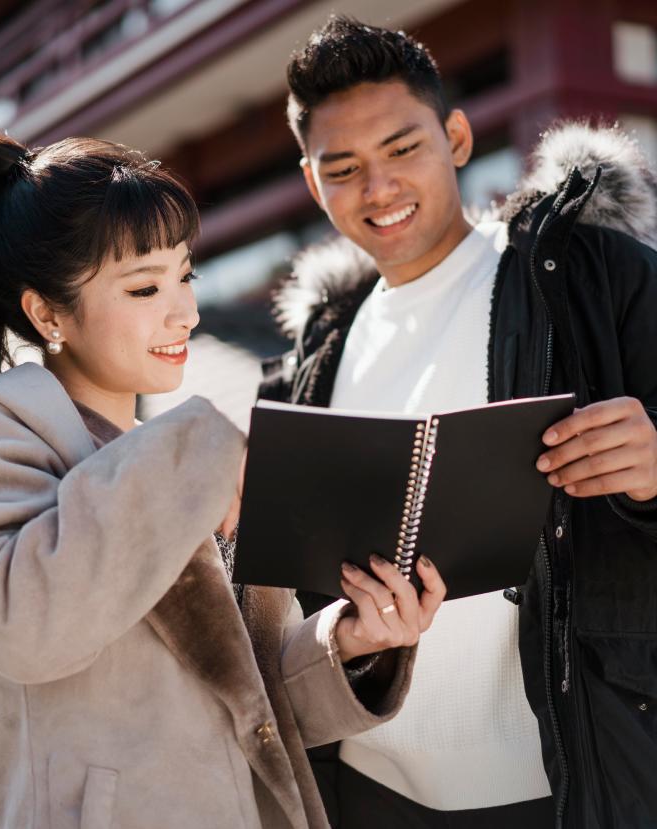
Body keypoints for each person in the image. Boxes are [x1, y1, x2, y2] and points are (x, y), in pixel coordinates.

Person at [0, 132, 448, 829]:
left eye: (185, 276)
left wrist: (352, 641)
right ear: (47, 313)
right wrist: (199, 449)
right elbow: (19, 626)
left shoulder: (173, 461)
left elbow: (246, 698)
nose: (186, 313)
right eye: (145, 287)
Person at [259, 15, 657, 829]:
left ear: (458, 138)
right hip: (368, 787)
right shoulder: (314, 356)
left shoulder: (587, 279)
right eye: (344, 168)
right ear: (311, 182)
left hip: (565, 778)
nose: (379, 189)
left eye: (403, 150)